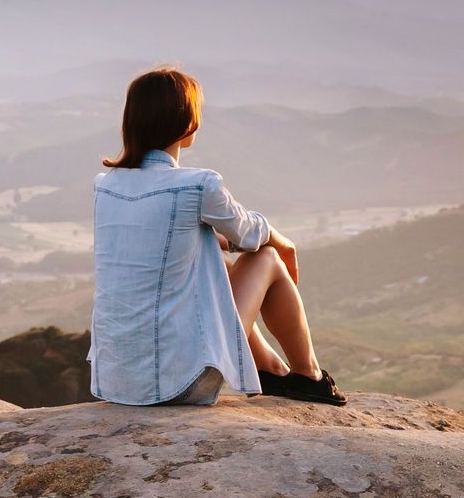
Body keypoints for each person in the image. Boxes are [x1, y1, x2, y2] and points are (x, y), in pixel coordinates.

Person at [89, 67, 345, 407]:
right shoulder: (198, 185)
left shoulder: (105, 186)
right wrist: (285, 243)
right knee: (266, 259)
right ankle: (308, 375)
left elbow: (196, 238)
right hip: (181, 382)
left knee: (218, 258)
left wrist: (218, 242)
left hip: (117, 382)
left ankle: (270, 369)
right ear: (187, 123)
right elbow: (251, 234)